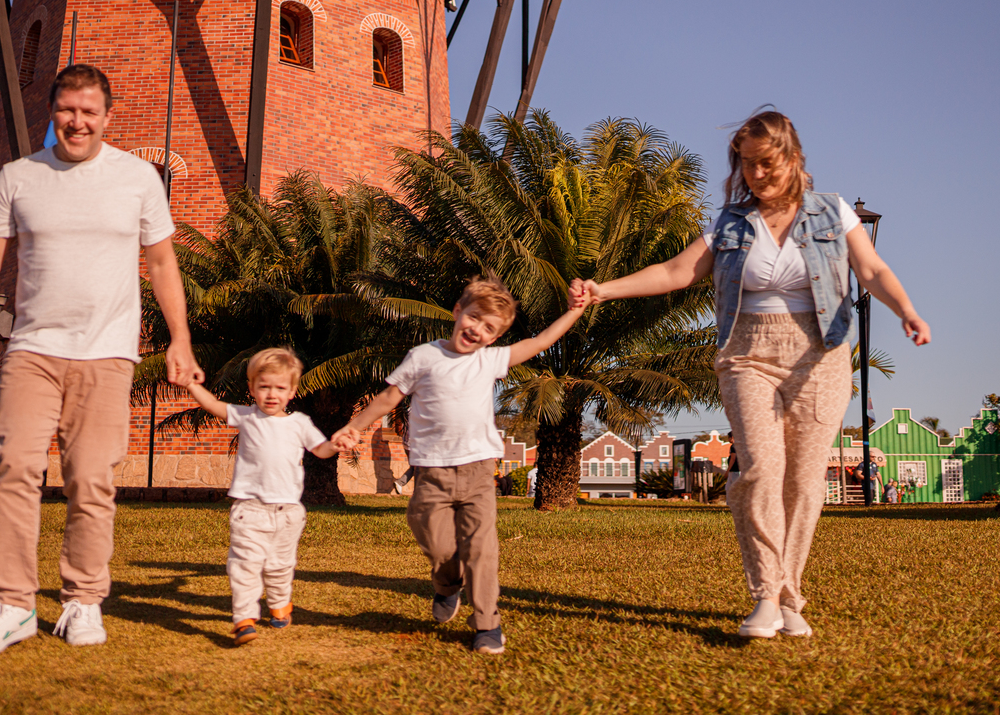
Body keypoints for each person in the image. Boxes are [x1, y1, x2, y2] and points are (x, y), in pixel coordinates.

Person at [571, 110, 930, 640]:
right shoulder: (730, 222)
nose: (757, 175)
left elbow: (871, 270)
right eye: (747, 165)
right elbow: (676, 272)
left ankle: (791, 595)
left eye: (766, 163)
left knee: (805, 480)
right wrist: (605, 288)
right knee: (761, 468)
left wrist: (906, 310)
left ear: (792, 156)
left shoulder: (833, 213)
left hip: (821, 354)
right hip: (747, 354)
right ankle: (767, 595)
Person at [0, 64, 203, 657]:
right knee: (14, 467)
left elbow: (161, 264)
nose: (78, 121)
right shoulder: (18, 178)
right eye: (67, 110)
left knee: (91, 480)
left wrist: (179, 338)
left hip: (106, 353)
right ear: (53, 112)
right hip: (32, 348)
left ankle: (82, 601)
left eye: (89, 111)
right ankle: (13, 605)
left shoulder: (137, 179)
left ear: (107, 116)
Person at [333, 276, 584, 654]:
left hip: (479, 469)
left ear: (496, 336)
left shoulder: (490, 360)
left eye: (490, 328)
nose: (478, 330)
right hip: (431, 471)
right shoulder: (424, 357)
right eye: (475, 318)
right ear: (457, 311)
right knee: (435, 543)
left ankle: (487, 623)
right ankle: (447, 584)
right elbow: (388, 396)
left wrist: (574, 311)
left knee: (482, 548)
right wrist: (354, 427)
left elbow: (541, 342)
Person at [186, 347, 336, 645]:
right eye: (264, 386)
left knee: (279, 567)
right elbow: (214, 404)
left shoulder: (299, 424)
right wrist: (190, 384)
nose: (271, 394)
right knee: (244, 565)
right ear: (252, 388)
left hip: (288, 513)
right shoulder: (246, 417)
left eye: (280, 388)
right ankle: (244, 618)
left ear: (292, 391)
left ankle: (280, 603)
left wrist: (339, 442)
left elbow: (322, 450)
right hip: (249, 510)